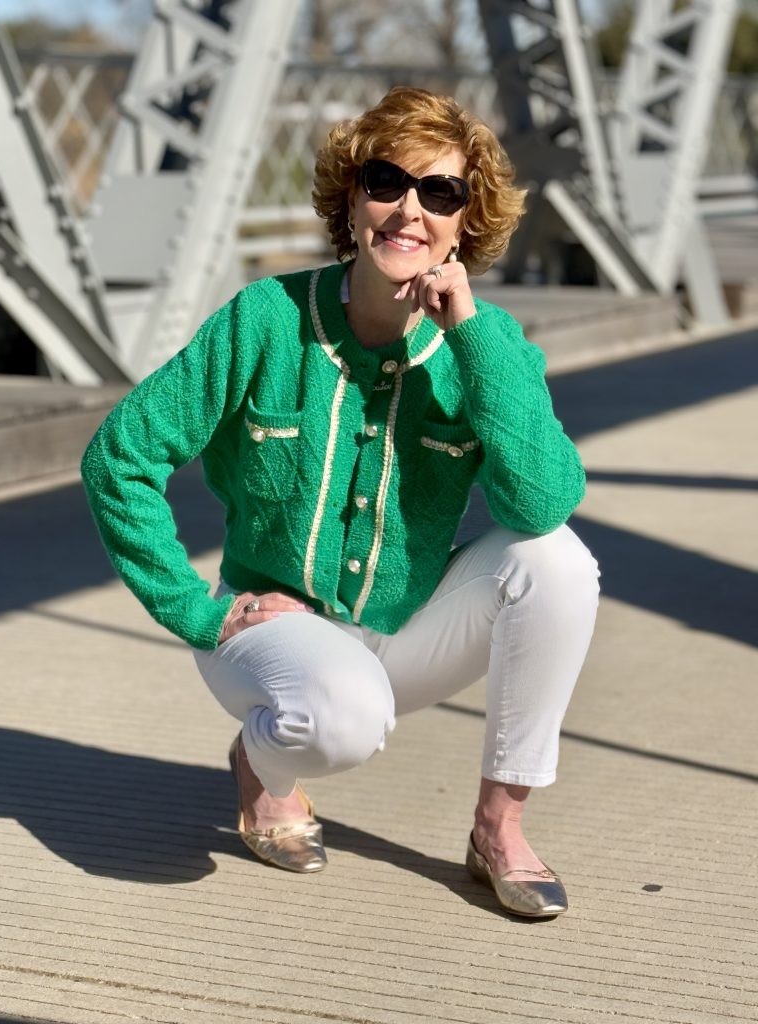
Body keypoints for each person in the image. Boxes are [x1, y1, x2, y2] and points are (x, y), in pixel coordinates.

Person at [82, 86, 599, 919]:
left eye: (440, 194)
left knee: (559, 565)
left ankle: (499, 828)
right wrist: (192, 609)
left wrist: (472, 338)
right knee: (339, 719)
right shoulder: (265, 320)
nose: (408, 210)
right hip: (266, 630)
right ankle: (263, 767)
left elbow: (540, 502)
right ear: (352, 197)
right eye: (386, 182)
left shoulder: (488, 344)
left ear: (466, 222)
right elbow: (120, 456)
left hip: (405, 631)